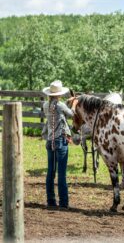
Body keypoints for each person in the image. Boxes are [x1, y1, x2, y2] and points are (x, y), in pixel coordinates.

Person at [42, 80, 74, 210]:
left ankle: (50, 200)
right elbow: (72, 114)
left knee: (51, 171)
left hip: (50, 140)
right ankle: (64, 202)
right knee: (62, 173)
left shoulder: (45, 105)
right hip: (60, 140)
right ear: (59, 94)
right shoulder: (60, 105)